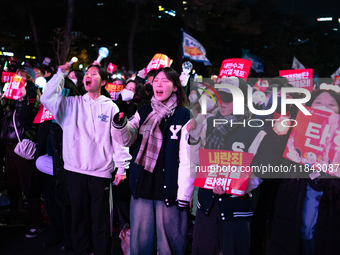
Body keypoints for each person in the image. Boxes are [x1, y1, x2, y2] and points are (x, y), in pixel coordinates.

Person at [41, 63, 131, 255]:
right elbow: (46, 97)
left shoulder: (110, 107)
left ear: (104, 81)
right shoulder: (70, 104)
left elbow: (119, 140)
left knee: (101, 220)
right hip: (74, 171)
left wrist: (122, 168)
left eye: (94, 74)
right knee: (78, 218)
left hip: (101, 172)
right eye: (86, 74)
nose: (88, 76)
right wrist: (60, 73)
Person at [112, 67, 194, 255]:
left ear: (175, 87)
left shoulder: (184, 115)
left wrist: (185, 194)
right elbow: (126, 138)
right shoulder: (144, 112)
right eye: (156, 80)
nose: (159, 84)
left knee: (169, 245)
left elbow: (188, 157)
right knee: (140, 243)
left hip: (170, 190)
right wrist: (119, 125)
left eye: (165, 81)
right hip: (142, 186)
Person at [191, 77, 269, 255]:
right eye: (219, 97)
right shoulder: (209, 124)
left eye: (227, 98)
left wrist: (233, 188)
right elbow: (197, 162)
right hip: (207, 206)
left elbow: (259, 173)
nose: (221, 102)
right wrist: (193, 136)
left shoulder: (256, 131)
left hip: (236, 211)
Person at [269, 89, 340, 255]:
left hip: (328, 238)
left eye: (331, 105)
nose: (325, 108)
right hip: (289, 237)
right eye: (319, 103)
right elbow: (267, 172)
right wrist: (277, 137)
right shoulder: (292, 138)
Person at [0, 80, 45, 237]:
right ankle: (14, 214)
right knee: (12, 184)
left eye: (22, 85)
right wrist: (5, 98)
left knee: (28, 185)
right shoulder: (10, 104)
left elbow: (25, 117)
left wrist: (23, 97)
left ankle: (37, 222)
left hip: (21, 149)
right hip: (9, 147)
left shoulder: (29, 104)